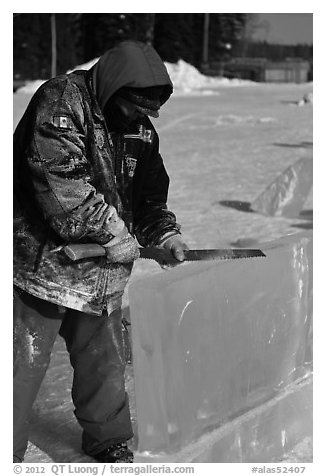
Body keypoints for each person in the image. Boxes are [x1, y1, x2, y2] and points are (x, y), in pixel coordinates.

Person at [13, 40, 189, 463]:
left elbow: (149, 197)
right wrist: (111, 232)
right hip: (42, 265)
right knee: (21, 364)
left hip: (101, 274)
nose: (141, 117)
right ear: (114, 88)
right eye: (135, 105)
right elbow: (61, 184)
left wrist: (164, 235)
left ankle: (107, 438)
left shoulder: (140, 129)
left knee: (105, 364)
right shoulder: (61, 102)